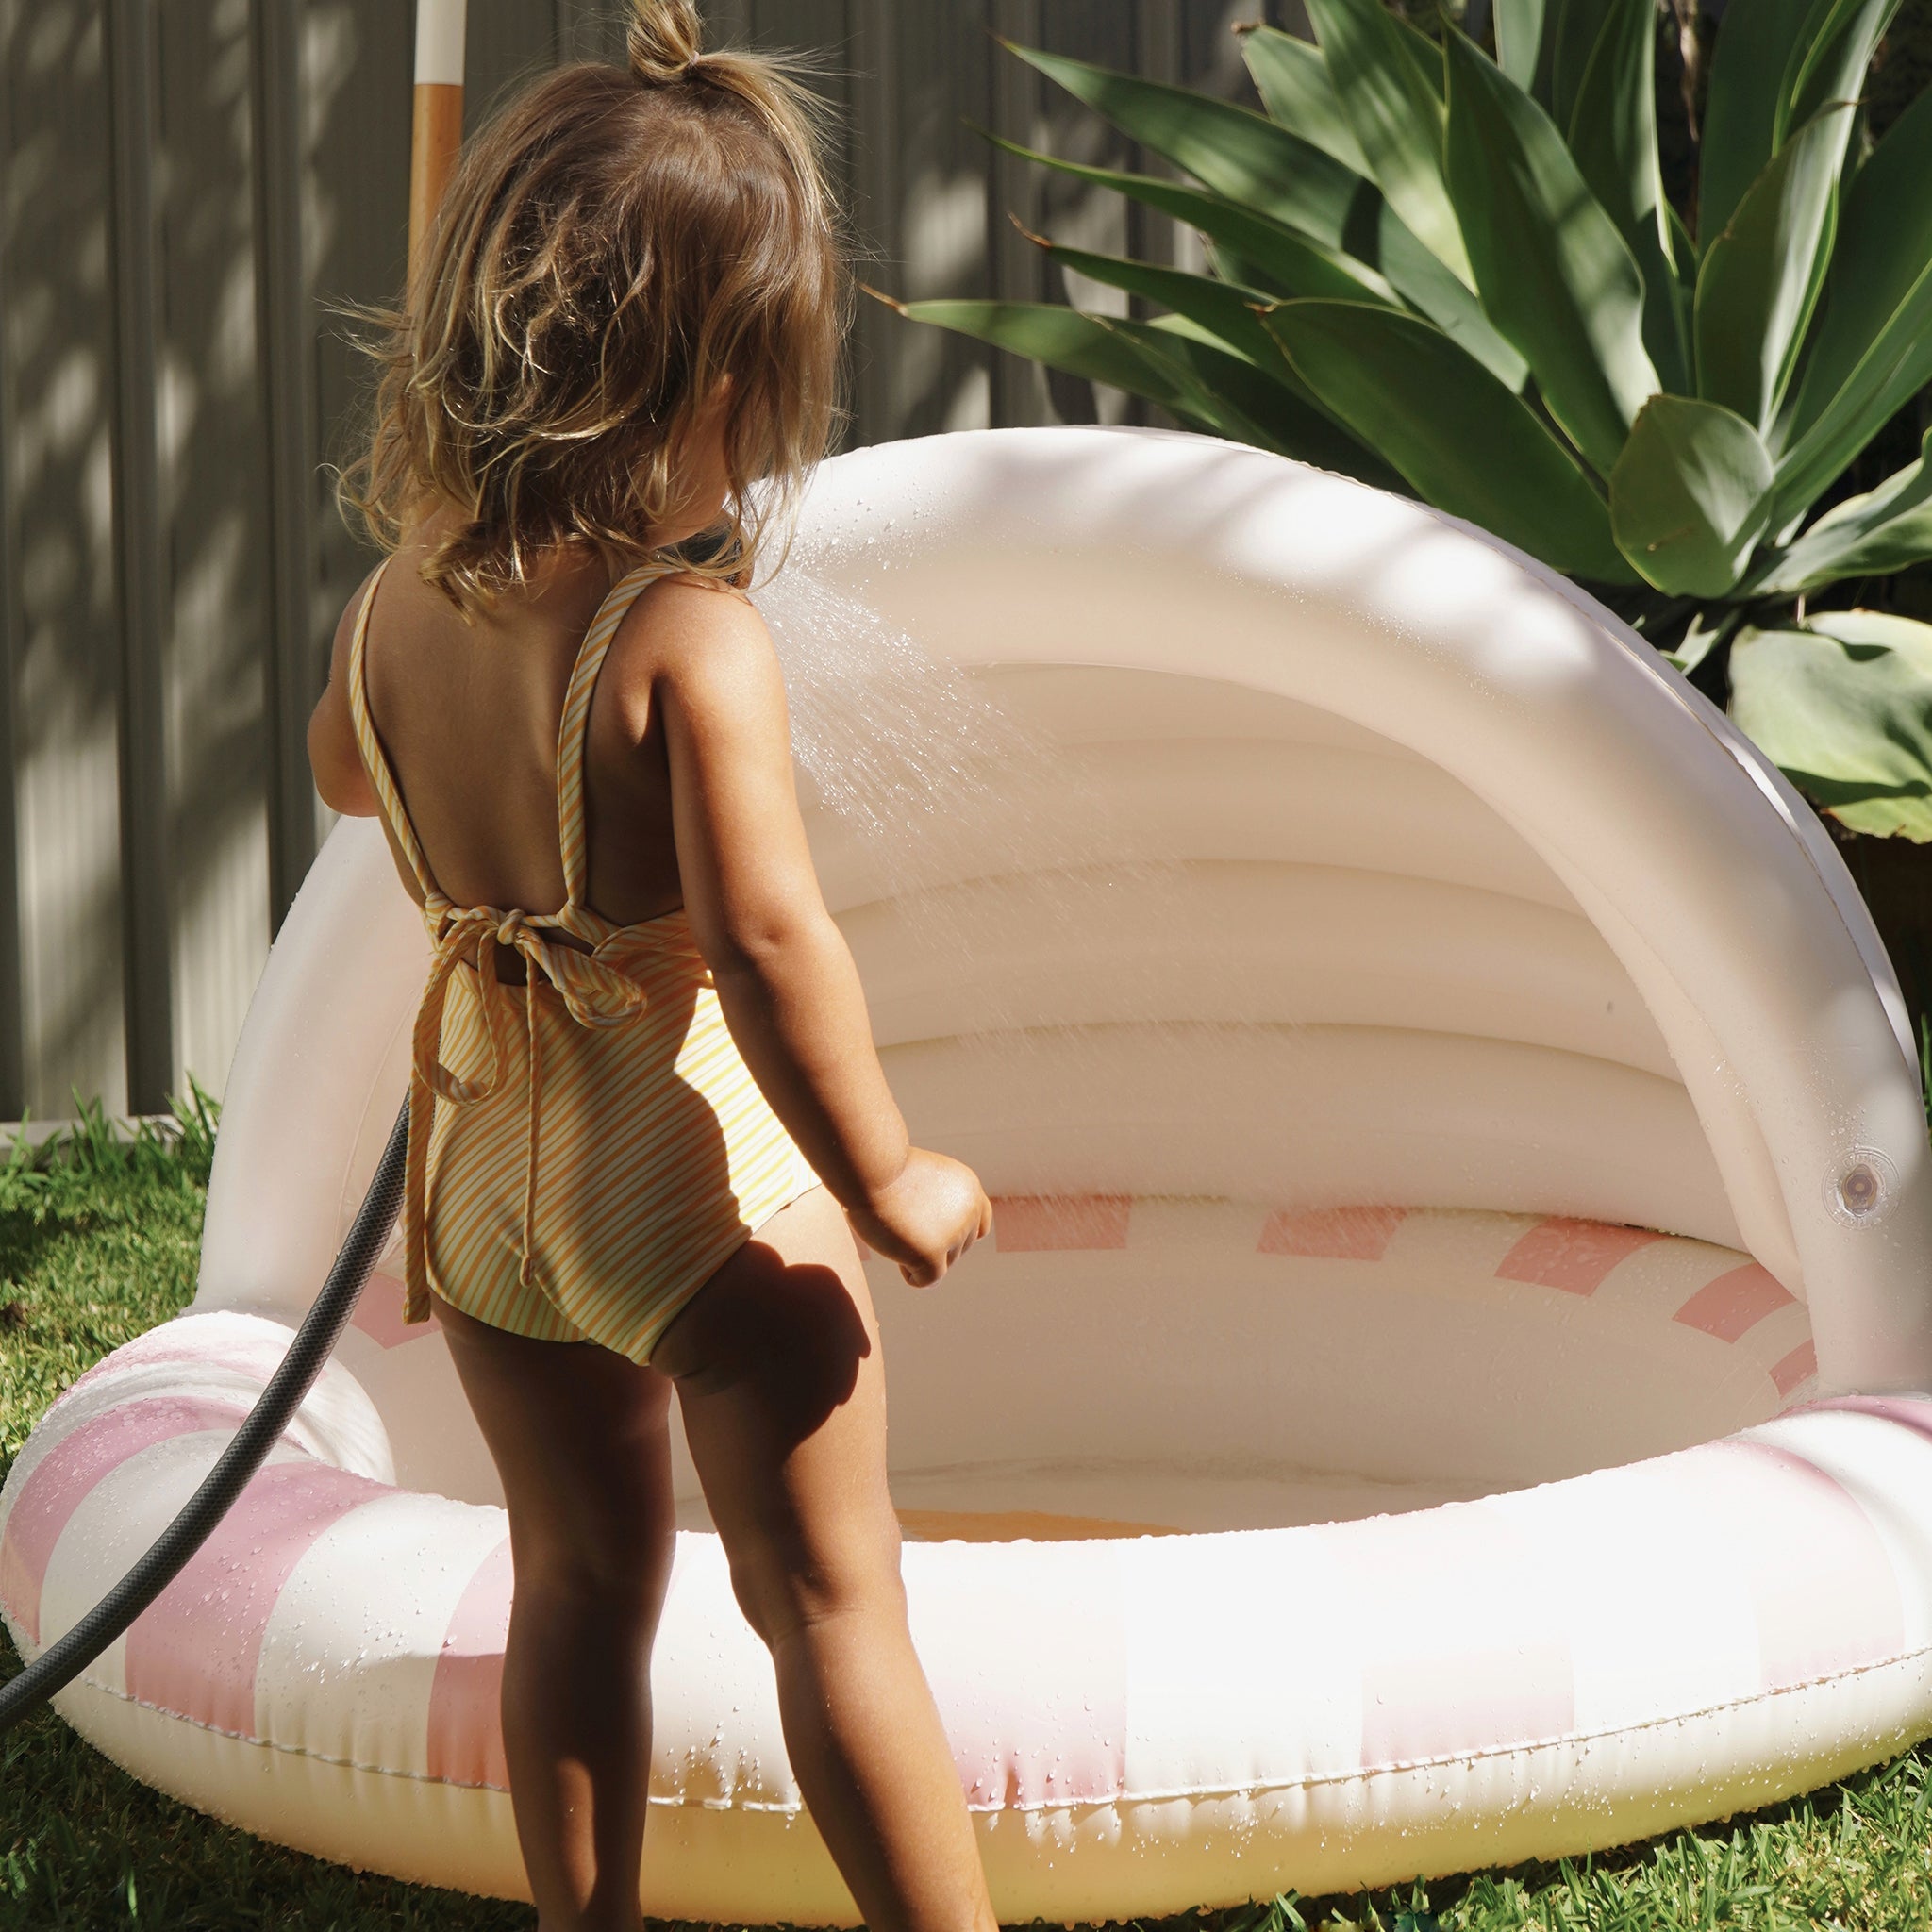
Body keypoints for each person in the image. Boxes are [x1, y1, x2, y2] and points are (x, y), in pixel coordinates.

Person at [304, 6, 996, 1929]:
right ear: (694, 383)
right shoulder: (683, 635)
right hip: (675, 1166)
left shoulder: (393, 604)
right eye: (764, 387)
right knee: (831, 1600)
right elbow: (771, 946)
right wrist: (882, 1178)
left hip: (490, 1185)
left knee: (578, 1580)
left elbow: (345, 775)